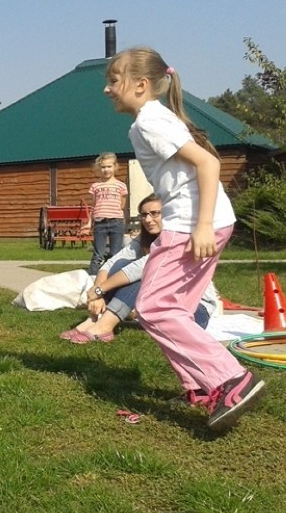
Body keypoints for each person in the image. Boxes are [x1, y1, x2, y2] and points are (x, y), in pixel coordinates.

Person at [104, 46, 264, 433]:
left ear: (140, 85)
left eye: (113, 81)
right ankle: (201, 386)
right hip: (205, 222)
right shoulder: (155, 118)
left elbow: (209, 163)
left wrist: (203, 224)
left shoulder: (150, 123)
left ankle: (231, 380)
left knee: (155, 308)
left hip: (192, 225)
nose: (107, 90)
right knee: (176, 309)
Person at [61, 195, 217, 347]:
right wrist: (97, 296)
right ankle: (96, 320)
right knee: (122, 262)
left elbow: (140, 268)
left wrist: (99, 289)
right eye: (144, 215)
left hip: (194, 310)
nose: (148, 220)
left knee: (144, 273)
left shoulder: (180, 239)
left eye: (155, 213)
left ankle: (105, 325)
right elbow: (111, 263)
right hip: (164, 304)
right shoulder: (146, 238)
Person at [82, 152, 128, 275]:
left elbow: (122, 204)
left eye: (109, 166)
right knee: (98, 254)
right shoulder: (96, 186)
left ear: (115, 167)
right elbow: (94, 205)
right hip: (99, 222)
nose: (106, 170)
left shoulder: (121, 186)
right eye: (103, 167)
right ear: (99, 168)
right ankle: (92, 279)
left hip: (116, 222)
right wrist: (89, 223)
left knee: (115, 254)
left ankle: (113, 279)